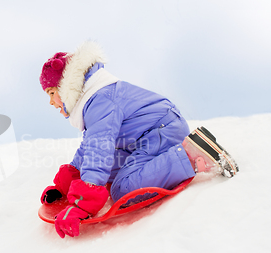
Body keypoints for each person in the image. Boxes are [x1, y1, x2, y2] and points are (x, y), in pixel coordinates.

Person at [39, 41, 239, 239]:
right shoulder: (96, 97)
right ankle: (175, 158)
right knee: (108, 172)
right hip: (147, 135)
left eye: (52, 93)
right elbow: (90, 148)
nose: (50, 102)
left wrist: (82, 203)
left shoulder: (100, 100)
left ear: (66, 86)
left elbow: (98, 150)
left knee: (122, 190)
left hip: (161, 131)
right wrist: (66, 185)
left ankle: (191, 156)